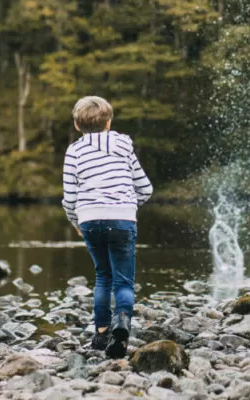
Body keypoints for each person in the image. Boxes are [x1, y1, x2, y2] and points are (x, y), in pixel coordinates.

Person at [62, 96, 153, 359]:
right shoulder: (124, 146)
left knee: (103, 275)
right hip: (123, 218)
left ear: (77, 125)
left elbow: (69, 197)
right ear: (109, 122)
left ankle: (102, 332)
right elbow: (145, 188)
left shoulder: (74, 151)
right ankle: (122, 322)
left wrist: (76, 221)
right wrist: (128, 207)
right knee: (123, 280)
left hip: (89, 218)